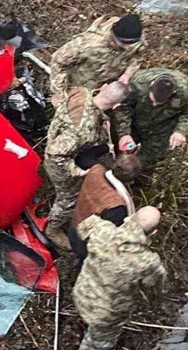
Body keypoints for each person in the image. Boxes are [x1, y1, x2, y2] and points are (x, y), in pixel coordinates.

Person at [66, 206, 167, 350]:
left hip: (82, 293)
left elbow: (79, 229)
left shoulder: (102, 229)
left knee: (95, 325)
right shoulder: (149, 262)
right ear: (154, 232)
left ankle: (96, 336)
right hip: (105, 314)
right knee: (94, 343)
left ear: (132, 216)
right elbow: (154, 291)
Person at [42, 80, 131, 236]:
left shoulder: (81, 91)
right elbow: (55, 153)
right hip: (59, 161)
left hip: (58, 137)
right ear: (115, 104)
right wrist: (76, 171)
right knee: (69, 198)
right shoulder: (83, 130)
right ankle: (52, 229)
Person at [114, 67, 188, 169]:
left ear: (173, 94)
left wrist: (180, 131)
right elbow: (124, 108)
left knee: (147, 159)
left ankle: (135, 177)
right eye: (153, 100)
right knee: (120, 148)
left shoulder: (187, 93)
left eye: (159, 103)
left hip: (162, 127)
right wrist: (124, 133)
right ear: (150, 87)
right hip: (136, 120)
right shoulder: (138, 83)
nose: (155, 104)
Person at [68, 153, 143, 261]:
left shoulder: (96, 170)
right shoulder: (117, 206)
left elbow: (84, 158)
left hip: (73, 227)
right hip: (85, 245)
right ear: (131, 181)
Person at [48, 13, 144, 98]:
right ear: (114, 36)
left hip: (104, 90)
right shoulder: (87, 44)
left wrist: (128, 73)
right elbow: (58, 63)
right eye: (123, 43)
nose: (128, 48)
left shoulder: (135, 38)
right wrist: (60, 95)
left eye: (131, 44)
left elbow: (137, 56)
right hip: (76, 89)